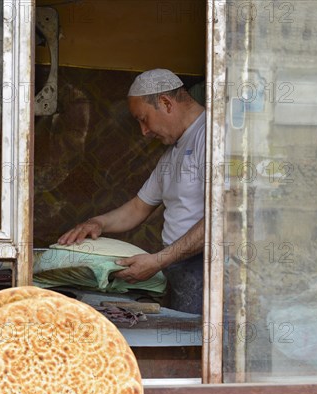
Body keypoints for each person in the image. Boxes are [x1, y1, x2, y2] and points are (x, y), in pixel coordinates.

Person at [57, 69, 206, 314]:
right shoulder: (174, 150)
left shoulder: (211, 136)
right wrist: (97, 223)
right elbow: (139, 206)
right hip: (179, 267)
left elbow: (222, 220)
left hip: (204, 267)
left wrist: (159, 260)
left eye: (143, 119)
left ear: (166, 103)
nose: (143, 132)